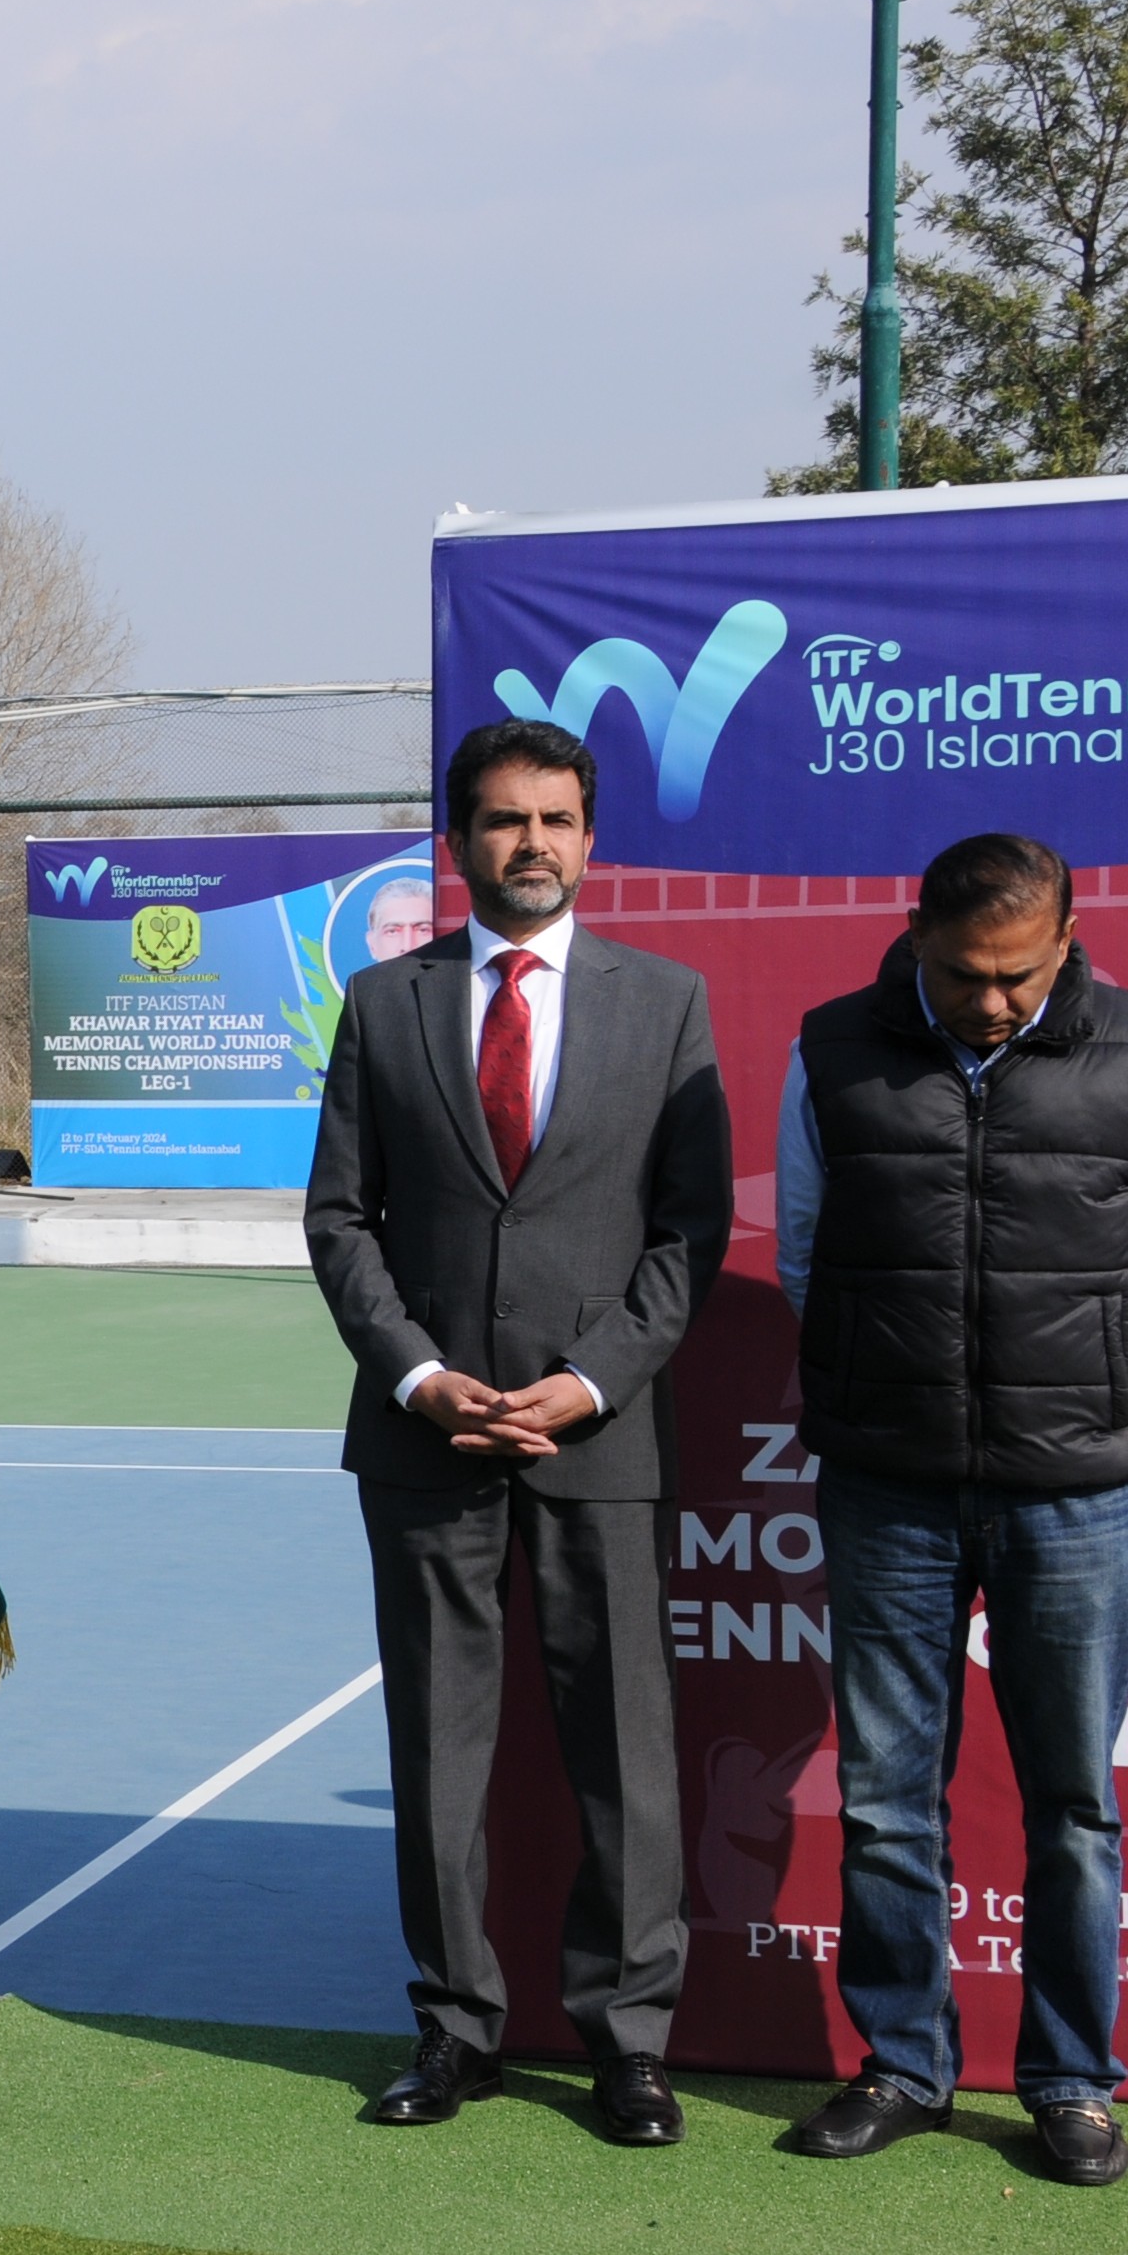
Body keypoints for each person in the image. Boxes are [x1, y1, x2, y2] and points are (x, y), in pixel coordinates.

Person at [304, 718, 730, 2145]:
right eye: (501, 821)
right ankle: (453, 2031)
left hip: (597, 1442)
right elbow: (339, 1222)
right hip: (428, 1442)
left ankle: (629, 2045)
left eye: (554, 820)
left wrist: (595, 1380)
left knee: (627, 1755)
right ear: (461, 841)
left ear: (590, 840)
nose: (529, 844)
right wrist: (422, 1375)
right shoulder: (384, 1005)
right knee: (438, 1752)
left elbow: (689, 1235)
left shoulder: (666, 1003)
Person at [776, 833, 1128, 2188]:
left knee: (1073, 1803)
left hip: (1076, 1497)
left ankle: (1072, 2084)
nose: (992, 1001)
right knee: (887, 1797)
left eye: (1021, 977)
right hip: (888, 1486)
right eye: (966, 974)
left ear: (1070, 941)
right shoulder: (833, 1045)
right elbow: (806, 1246)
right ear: (915, 936)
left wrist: (1082, 1400)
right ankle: (905, 2066)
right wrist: (902, 1391)